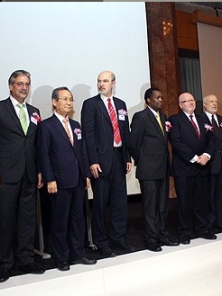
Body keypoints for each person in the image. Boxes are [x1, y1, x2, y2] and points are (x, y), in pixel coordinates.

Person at [0, 70, 44, 282]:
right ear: (10, 86)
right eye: (20, 83)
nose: (24, 87)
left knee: (28, 220)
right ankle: (4, 264)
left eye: (27, 84)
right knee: (6, 221)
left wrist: (38, 170)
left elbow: (36, 144)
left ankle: (26, 259)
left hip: (29, 174)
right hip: (6, 175)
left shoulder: (35, 111)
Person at [37, 87, 96, 271]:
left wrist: (86, 174)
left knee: (78, 220)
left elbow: (83, 151)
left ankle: (78, 254)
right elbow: (43, 155)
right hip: (59, 181)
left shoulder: (76, 125)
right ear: (54, 102)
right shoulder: (46, 126)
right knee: (60, 221)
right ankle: (61, 257)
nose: (69, 102)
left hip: (78, 179)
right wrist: (50, 179)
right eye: (64, 99)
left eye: (71, 99)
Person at [81, 70, 133, 257]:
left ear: (113, 83)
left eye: (105, 81)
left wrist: (127, 157)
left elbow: (124, 132)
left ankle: (119, 239)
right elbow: (88, 135)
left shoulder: (120, 104)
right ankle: (101, 242)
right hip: (101, 162)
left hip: (119, 158)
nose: (101, 84)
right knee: (101, 204)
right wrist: (92, 161)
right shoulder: (90, 104)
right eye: (99, 81)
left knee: (120, 203)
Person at [129, 88, 179, 252]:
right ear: (148, 100)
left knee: (163, 206)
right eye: (157, 97)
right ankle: (151, 239)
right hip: (148, 170)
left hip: (163, 169)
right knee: (150, 208)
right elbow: (133, 144)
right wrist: (143, 160)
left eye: (162, 97)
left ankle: (163, 236)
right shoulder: (141, 117)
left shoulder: (163, 116)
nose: (160, 100)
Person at [168, 92, 217, 244]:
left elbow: (212, 139)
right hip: (184, 168)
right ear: (180, 104)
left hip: (202, 167)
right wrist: (195, 158)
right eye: (186, 101)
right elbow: (176, 141)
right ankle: (185, 231)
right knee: (184, 202)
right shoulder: (175, 120)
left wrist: (207, 155)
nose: (190, 103)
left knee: (201, 201)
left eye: (192, 100)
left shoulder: (203, 118)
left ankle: (202, 228)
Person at [201, 94, 222, 233]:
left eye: (216, 101)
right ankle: (209, 225)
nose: (215, 104)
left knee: (221, 196)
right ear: (204, 105)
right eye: (211, 101)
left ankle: (221, 222)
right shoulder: (200, 120)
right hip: (208, 165)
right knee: (208, 196)